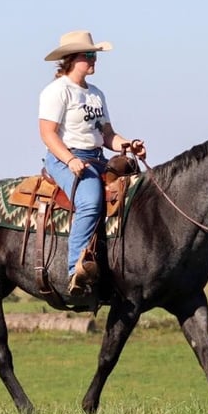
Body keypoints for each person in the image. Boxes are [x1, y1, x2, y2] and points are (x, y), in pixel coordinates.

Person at [39, 30, 146, 296]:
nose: (93, 59)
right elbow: (47, 133)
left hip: (97, 157)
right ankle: (76, 270)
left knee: (135, 193)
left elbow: (107, 134)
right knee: (90, 201)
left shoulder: (96, 94)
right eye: (88, 55)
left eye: (94, 55)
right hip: (66, 158)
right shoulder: (57, 91)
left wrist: (128, 145)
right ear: (71, 59)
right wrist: (70, 159)